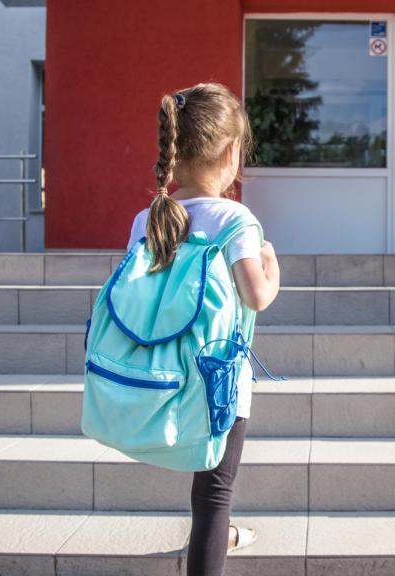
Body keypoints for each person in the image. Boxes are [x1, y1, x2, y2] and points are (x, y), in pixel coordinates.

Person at [125, 83, 280, 576]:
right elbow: (256, 294)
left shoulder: (148, 219)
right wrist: (273, 267)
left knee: (209, 494)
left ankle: (218, 538)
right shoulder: (236, 218)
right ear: (233, 152)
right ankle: (215, 542)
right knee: (214, 493)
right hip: (219, 384)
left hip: (160, 376)